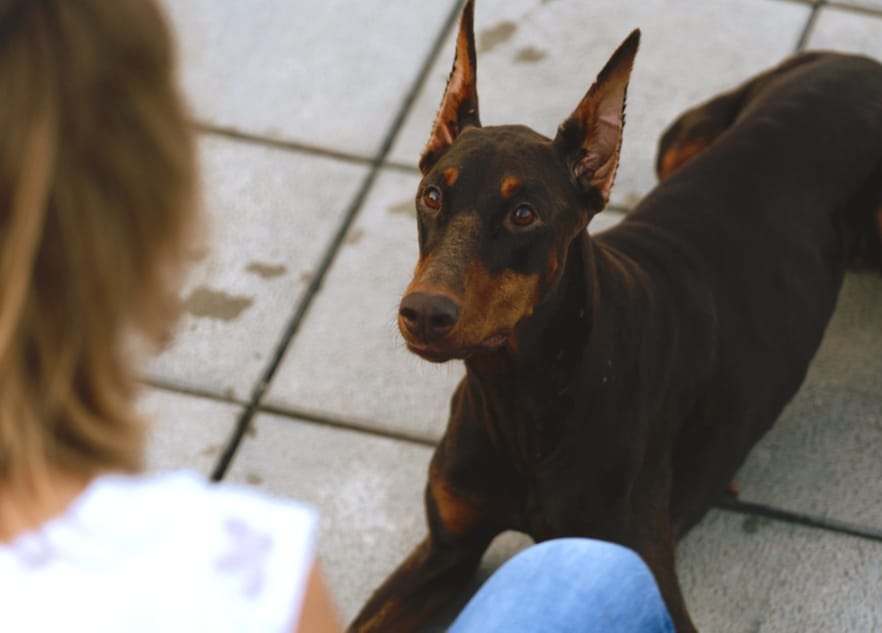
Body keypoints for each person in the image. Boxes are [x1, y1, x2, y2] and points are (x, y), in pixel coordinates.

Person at [0, 1, 673, 631]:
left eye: (521, 217)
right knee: (597, 578)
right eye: (435, 199)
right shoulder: (238, 563)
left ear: (595, 170)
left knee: (684, 146)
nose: (428, 294)